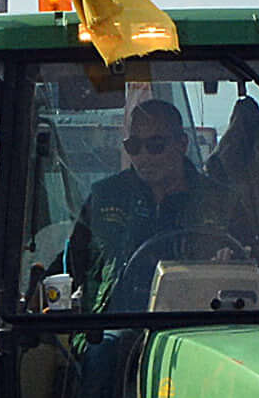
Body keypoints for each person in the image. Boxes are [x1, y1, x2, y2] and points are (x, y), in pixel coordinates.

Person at [64, 97, 229, 306]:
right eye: (133, 146)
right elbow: (71, 266)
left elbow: (258, 270)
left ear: (182, 144)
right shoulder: (104, 197)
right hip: (113, 325)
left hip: (200, 321)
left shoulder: (223, 203)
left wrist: (227, 265)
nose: (143, 156)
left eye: (155, 145)